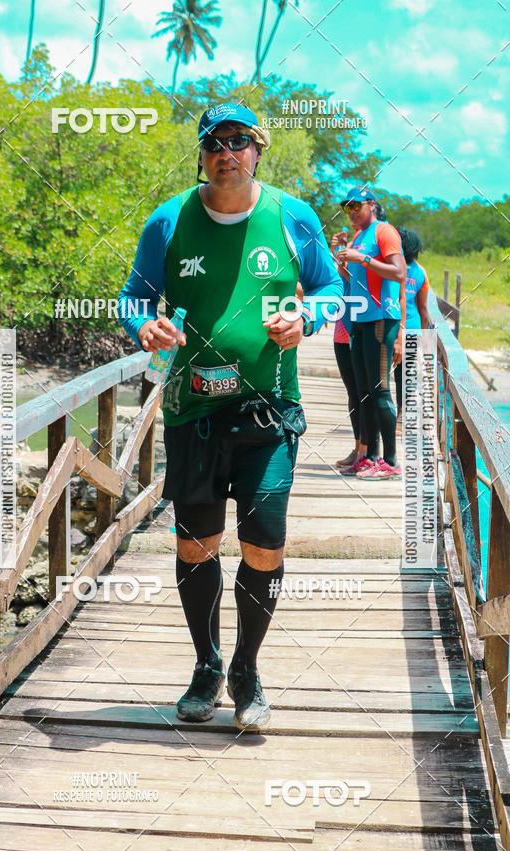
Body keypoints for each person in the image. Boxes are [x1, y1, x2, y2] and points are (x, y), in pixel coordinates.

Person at [118, 102, 342, 729]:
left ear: (257, 151)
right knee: (197, 544)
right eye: (214, 142)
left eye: (239, 141)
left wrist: (309, 318)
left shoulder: (292, 216)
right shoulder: (170, 220)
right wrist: (145, 325)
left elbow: (330, 291)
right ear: (201, 153)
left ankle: (247, 670)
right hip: (194, 413)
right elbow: (132, 295)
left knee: (264, 539)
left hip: (270, 411)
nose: (227, 152)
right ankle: (206, 665)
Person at [333, 188, 405, 480]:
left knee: (380, 388)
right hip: (359, 319)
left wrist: (361, 259)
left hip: (381, 318)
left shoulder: (383, 231)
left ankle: (390, 461)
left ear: (371, 205)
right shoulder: (360, 236)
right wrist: (343, 261)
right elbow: (356, 281)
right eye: (346, 206)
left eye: (356, 206)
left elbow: (398, 272)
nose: (350, 211)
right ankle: (370, 457)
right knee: (364, 391)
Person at [327, 239, 368, 473]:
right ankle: (357, 448)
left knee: (366, 394)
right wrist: (336, 256)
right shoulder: (342, 262)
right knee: (353, 394)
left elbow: (368, 288)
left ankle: (367, 451)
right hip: (341, 333)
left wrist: (349, 264)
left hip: (362, 333)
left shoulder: (367, 260)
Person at [394, 228, 431, 424]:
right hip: (413, 328)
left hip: (390, 326)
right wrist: (424, 335)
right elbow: (423, 307)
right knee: (406, 375)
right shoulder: (420, 272)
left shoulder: (390, 267)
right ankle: (402, 416)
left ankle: (386, 415)